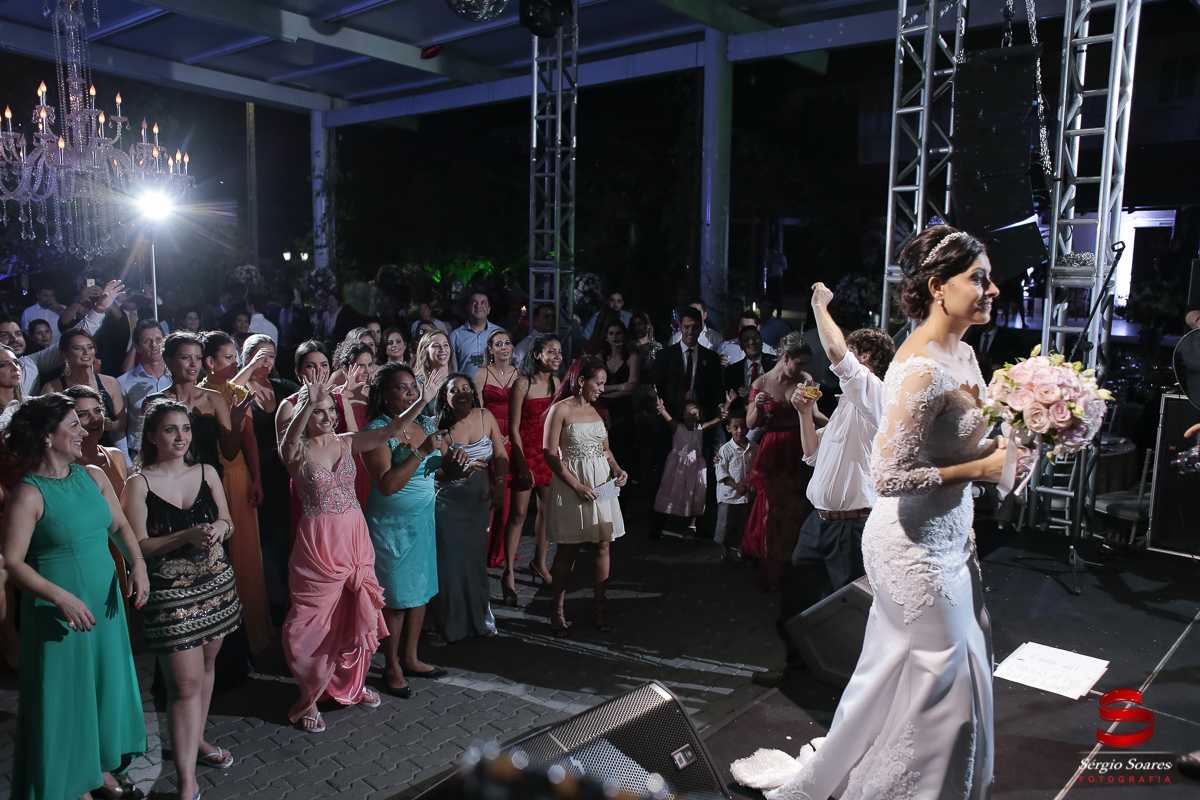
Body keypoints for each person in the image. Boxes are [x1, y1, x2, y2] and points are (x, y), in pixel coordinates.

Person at [745, 225, 1013, 800]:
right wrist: (979, 472)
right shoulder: (917, 368)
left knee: (902, 671)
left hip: (950, 535)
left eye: (991, 279)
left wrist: (1027, 435)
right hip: (912, 546)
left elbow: (967, 447)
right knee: (945, 680)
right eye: (980, 279)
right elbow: (888, 477)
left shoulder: (964, 353)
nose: (992, 290)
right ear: (939, 287)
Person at [2, 393, 150, 800]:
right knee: (65, 697)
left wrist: (137, 564)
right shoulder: (28, 495)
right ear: (48, 436)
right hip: (59, 612)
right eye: (73, 424)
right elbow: (12, 562)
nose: (83, 431)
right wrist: (60, 598)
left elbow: (119, 526)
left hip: (104, 604)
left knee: (103, 686)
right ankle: (68, 785)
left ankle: (96, 769)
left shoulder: (92, 475)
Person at [755, 286, 895, 688]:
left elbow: (837, 355)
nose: (838, 359)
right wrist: (803, 414)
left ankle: (854, 691)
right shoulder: (848, 406)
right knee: (797, 600)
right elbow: (814, 456)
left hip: (852, 527)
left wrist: (818, 305)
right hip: (816, 523)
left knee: (849, 610)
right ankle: (796, 672)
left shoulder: (876, 398)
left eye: (852, 352)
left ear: (864, 358)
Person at [122, 398, 243, 800]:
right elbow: (137, 545)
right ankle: (186, 781)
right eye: (171, 430)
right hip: (172, 595)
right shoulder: (138, 483)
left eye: (186, 429)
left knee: (207, 668)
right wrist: (185, 536)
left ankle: (198, 740)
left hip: (216, 586)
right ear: (152, 436)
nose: (180, 437)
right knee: (184, 684)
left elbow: (228, 520)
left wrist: (218, 530)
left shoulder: (207, 470)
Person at [278, 375, 412, 732]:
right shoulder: (297, 451)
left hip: (355, 538)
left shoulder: (346, 441)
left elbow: (388, 431)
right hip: (319, 546)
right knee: (309, 624)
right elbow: (289, 440)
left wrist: (425, 399)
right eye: (319, 412)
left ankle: (352, 685)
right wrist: (307, 402)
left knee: (356, 614)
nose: (327, 417)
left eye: (329, 411)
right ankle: (309, 696)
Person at [362, 364, 449, 698]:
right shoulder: (378, 430)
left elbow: (435, 472)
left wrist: (457, 463)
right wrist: (422, 451)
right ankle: (391, 665)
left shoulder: (426, 422)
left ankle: (411, 657)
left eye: (414, 386)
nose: (412, 392)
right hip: (391, 526)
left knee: (420, 591)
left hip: (423, 518)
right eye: (402, 388)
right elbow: (386, 485)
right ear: (384, 395)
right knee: (396, 599)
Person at [197, 331, 272, 657]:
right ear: (210, 362)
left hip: (239, 474)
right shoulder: (198, 394)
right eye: (228, 358)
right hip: (211, 477)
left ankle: (252, 634)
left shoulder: (239, 391)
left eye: (235, 358)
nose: (235, 363)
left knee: (245, 554)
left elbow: (250, 440)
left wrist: (257, 479)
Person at [543, 356, 628, 637]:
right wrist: (576, 486)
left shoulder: (599, 410)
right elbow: (549, 453)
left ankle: (600, 605)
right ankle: (557, 608)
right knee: (568, 548)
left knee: (602, 544)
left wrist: (617, 469)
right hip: (571, 485)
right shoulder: (560, 410)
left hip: (602, 484)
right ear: (581, 381)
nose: (602, 389)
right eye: (599, 383)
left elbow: (606, 451)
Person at [426, 373, 508, 644]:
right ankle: (446, 623)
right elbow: (436, 472)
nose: (461, 393)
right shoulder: (440, 428)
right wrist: (456, 468)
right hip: (449, 504)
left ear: (473, 391)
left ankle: (477, 620)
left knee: (474, 561)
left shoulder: (486, 416)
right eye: (454, 390)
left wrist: (498, 483)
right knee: (450, 564)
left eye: (466, 388)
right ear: (445, 397)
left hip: (478, 501)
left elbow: (500, 455)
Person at [234, 335, 299, 624]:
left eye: (271, 354)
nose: (266, 360)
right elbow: (228, 391)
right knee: (262, 539)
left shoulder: (283, 387)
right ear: (245, 357)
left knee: (286, 534)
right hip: (253, 472)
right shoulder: (239, 389)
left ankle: (286, 602)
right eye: (259, 354)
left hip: (283, 472)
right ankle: (266, 607)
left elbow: (315, 394)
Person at [742, 332, 814, 587]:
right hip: (773, 451)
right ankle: (773, 568)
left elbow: (815, 415)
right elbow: (751, 423)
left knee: (797, 509)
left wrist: (844, 422)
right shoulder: (761, 383)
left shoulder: (805, 380)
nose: (804, 368)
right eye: (800, 363)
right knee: (773, 511)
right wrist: (759, 407)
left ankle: (794, 566)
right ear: (786, 358)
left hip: (799, 449)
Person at [503, 334, 563, 596]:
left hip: (547, 453)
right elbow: (513, 429)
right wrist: (523, 464)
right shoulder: (521, 384)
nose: (558, 356)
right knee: (517, 514)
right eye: (552, 351)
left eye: (560, 352)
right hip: (524, 452)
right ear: (537, 354)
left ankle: (539, 561)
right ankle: (509, 571)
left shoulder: (557, 383)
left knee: (547, 512)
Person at [0, 279, 120, 397]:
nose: (14, 339)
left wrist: (100, 307)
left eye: (18, 334)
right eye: (5, 335)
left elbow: (75, 336)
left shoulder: (30, 363)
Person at [473, 329, 518, 573]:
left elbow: (524, 411)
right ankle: (481, 547)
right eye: (498, 343)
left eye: (507, 343)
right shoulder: (481, 374)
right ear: (490, 349)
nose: (503, 347)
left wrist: (512, 436)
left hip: (513, 435)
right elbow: (477, 410)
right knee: (489, 495)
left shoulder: (521, 375)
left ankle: (501, 550)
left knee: (508, 500)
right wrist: (490, 435)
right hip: (489, 436)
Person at [651, 395, 729, 537]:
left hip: (695, 468)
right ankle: (684, 526)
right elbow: (663, 412)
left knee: (695, 494)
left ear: (699, 415)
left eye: (694, 412)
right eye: (687, 412)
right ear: (682, 414)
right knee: (680, 494)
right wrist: (656, 397)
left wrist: (728, 402)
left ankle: (691, 526)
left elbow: (719, 418)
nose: (691, 415)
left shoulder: (700, 428)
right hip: (678, 468)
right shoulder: (677, 427)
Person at [38, 329, 128, 448]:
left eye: (90, 347)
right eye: (78, 348)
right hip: (70, 451)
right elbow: (45, 428)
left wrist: (111, 425)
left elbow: (122, 421)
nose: (86, 352)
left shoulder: (110, 382)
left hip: (105, 449)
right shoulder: (52, 388)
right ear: (64, 353)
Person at [116, 318, 173, 465]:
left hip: (176, 450)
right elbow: (118, 428)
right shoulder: (123, 382)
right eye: (147, 341)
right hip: (140, 453)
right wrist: (126, 463)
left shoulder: (178, 378)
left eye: (158, 339)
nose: (154, 345)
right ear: (137, 346)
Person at [715, 408, 757, 567]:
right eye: (735, 428)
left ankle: (743, 550)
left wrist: (755, 482)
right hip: (730, 496)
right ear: (728, 429)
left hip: (747, 497)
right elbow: (722, 473)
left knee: (744, 525)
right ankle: (726, 552)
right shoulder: (725, 449)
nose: (740, 431)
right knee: (726, 524)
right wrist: (736, 487)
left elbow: (758, 468)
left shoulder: (754, 447)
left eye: (744, 427)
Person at [450, 290, 502, 374]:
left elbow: (507, 362)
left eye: (483, 303)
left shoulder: (499, 333)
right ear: (467, 308)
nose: (478, 306)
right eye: (474, 302)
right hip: (466, 386)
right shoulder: (455, 336)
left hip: (493, 386)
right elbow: (452, 369)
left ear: (489, 309)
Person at [723, 324, 778, 400]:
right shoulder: (732, 371)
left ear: (761, 342)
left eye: (755, 338)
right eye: (746, 340)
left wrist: (755, 391)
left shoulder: (775, 363)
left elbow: (781, 389)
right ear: (741, 346)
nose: (751, 342)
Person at [415, 330, 456, 414]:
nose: (442, 349)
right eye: (436, 346)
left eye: (445, 345)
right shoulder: (417, 385)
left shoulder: (461, 380)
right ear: (424, 351)